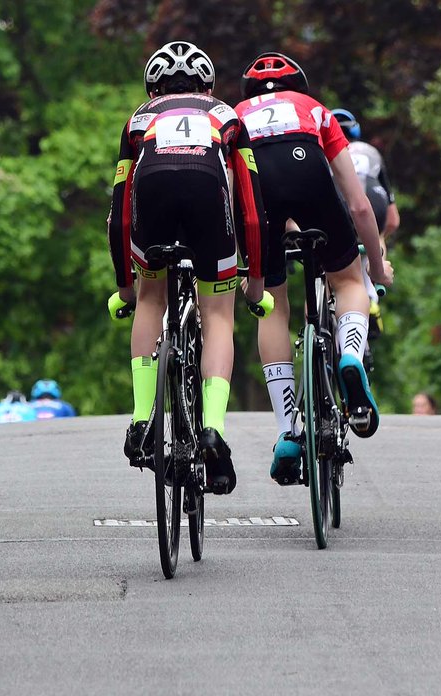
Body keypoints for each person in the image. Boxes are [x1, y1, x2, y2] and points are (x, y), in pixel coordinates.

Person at [107, 40, 271, 493]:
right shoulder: (226, 115)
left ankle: (142, 419)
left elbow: (120, 207)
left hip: (153, 192)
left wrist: (125, 283)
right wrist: (255, 279)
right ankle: (213, 427)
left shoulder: (139, 118)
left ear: (152, 86)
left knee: (150, 295)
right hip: (207, 193)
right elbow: (253, 206)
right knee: (217, 315)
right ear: (208, 85)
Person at [234, 52, 395, 485]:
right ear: (297, 86)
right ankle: (348, 353)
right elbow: (360, 204)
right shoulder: (316, 111)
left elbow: (228, 198)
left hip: (258, 193)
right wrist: (376, 267)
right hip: (309, 172)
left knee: (273, 306)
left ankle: (288, 431)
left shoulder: (235, 117)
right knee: (347, 282)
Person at [332, 107, 398, 338]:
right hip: (374, 197)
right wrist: (378, 237)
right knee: (375, 234)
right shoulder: (371, 152)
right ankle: (372, 295)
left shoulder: (323, 147)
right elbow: (393, 219)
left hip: (338, 198)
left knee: (323, 252)